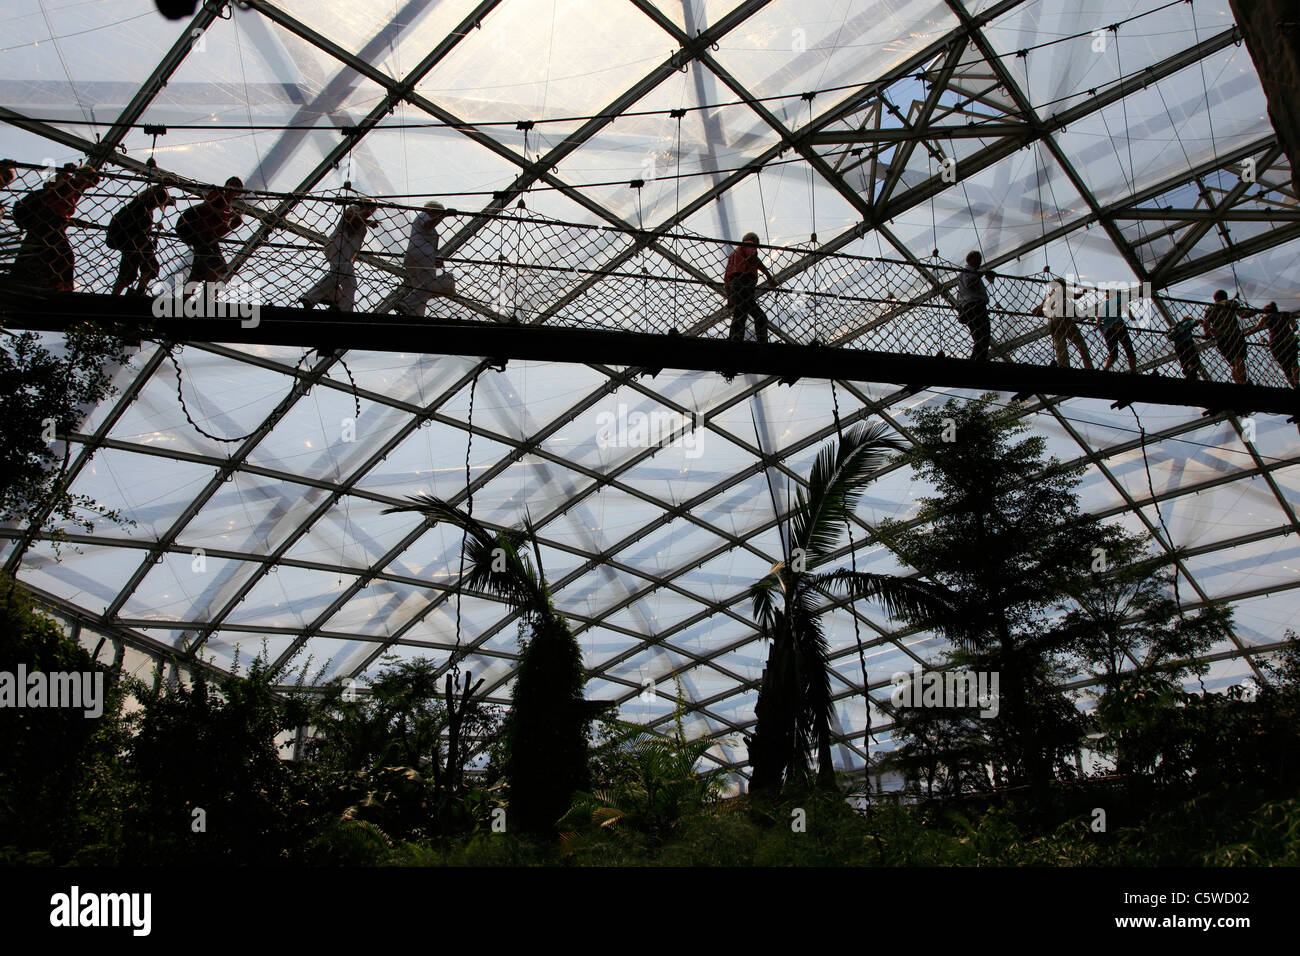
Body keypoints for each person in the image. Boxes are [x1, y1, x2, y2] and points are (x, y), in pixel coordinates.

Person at [9, 162, 100, 291]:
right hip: (47, 219)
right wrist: (63, 172)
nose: (88, 186)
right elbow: (48, 185)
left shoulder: (76, 192)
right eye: (89, 181)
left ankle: (35, 280)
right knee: (64, 255)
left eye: (91, 185)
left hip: (52, 222)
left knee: (38, 252)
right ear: (81, 176)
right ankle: (61, 287)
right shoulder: (67, 181)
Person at [299, 200, 377, 312]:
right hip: (338, 244)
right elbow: (351, 219)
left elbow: (356, 250)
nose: (370, 213)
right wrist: (367, 221)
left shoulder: (363, 230)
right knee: (338, 273)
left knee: (351, 283)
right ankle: (309, 297)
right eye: (370, 210)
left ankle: (344, 308)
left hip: (346, 254)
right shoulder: (354, 209)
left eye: (371, 211)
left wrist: (351, 263)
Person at [179, 175, 244, 287]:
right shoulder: (218, 195)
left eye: (235, 188)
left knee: (198, 273)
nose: (232, 190)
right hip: (201, 235)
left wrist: (233, 224)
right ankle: (205, 299)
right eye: (231, 185)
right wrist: (229, 215)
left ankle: (186, 299)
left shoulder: (226, 206)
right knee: (218, 267)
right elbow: (206, 207)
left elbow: (217, 233)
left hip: (204, 237)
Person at [108, 184, 172, 296]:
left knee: (135, 272)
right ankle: (132, 293)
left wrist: (156, 234)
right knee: (142, 269)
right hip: (129, 241)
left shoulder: (146, 211)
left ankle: (128, 293)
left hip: (132, 243)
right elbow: (144, 195)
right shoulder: (140, 206)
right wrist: (161, 184)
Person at [395, 200, 449, 316]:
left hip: (416, 255)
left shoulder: (421, 221)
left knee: (421, 288)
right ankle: (406, 304)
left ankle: (415, 314)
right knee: (429, 284)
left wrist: (435, 258)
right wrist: (444, 215)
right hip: (421, 255)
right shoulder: (423, 215)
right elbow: (428, 224)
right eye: (439, 213)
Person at [724, 231, 776, 343]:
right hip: (745, 283)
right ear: (752, 239)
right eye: (756, 244)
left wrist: (730, 298)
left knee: (740, 314)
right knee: (760, 317)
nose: (756, 247)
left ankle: (734, 339)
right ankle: (762, 342)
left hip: (735, 286)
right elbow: (754, 258)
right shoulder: (748, 243)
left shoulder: (733, 254)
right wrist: (768, 276)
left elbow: (727, 278)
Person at [1034, 277, 1093, 369]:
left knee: (1060, 345)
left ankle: (1063, 365)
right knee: (1080, 343)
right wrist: (1084, 291)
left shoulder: (1049, 297)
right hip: (1062, 316)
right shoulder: (1061, 289)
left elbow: (1035, 311)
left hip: (1051, 321)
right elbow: (1075, 296)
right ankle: (1089, 367)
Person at [1201, 289, 1250, 385]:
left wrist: (1207, 333)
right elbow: (1243, 314)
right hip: (1234, 336)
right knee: (1239, 360)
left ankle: (1238, 382)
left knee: (1233, 363)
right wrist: (1256, 312)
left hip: (1222, 339)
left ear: (1215, 299)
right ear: (1225, 296)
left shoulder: (1210, 309)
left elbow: (1206, 324)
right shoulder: (1231, 303)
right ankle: (1243, 382)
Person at [1246, 301, 1298, 388]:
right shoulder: (1286, 314)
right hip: (1289, 341)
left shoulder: (1266, 317)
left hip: (1276, 342)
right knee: (1294, 363)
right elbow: (1295, 327)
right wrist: (1289, 334)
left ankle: (1294, 385)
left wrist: (1243, 334)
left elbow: (1256, 328)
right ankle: (1297, 381)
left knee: (1285, 366)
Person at [953, 250, 992, 361]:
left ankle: (978, 358)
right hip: (974, 307)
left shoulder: (972, 273)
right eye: (977, 259)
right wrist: (980, 275)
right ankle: (977, 359)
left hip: (975, 307)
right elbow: (969, 284)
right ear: (969, 260)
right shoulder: (966, 272)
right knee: (982, 336)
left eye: (980, 259)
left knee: (982, 337)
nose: (979, 261)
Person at [1097, 287, 1138, 372]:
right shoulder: (1119, 300)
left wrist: (1103, 332)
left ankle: (1105, 369)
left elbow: (1098, 322)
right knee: (1129, 351)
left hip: (1108, 329)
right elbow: (1129, 313)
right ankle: (1133, 371)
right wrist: (1137, 325)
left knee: (1113, 354)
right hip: (1119, 326)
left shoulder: (1102, 305)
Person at [1166, 313, 1206, 381]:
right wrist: (1201, 321)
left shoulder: (1177, 327)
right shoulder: (1187, 322)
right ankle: (1191, 373)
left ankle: (1187, 372)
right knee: (1195, 362)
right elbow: (1195, 322)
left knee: (1185, 363)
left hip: (1178, 346)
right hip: (1187, 344)